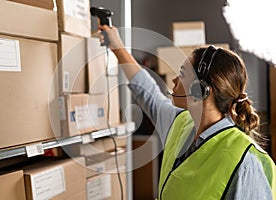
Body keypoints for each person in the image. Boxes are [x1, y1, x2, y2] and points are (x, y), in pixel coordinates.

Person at [97, 25, 276, 199]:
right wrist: (118, 47)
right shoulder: (181, 124)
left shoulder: (245, 161)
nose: (174, 80)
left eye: (182, 74)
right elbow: (148, 93)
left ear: (200, 90)